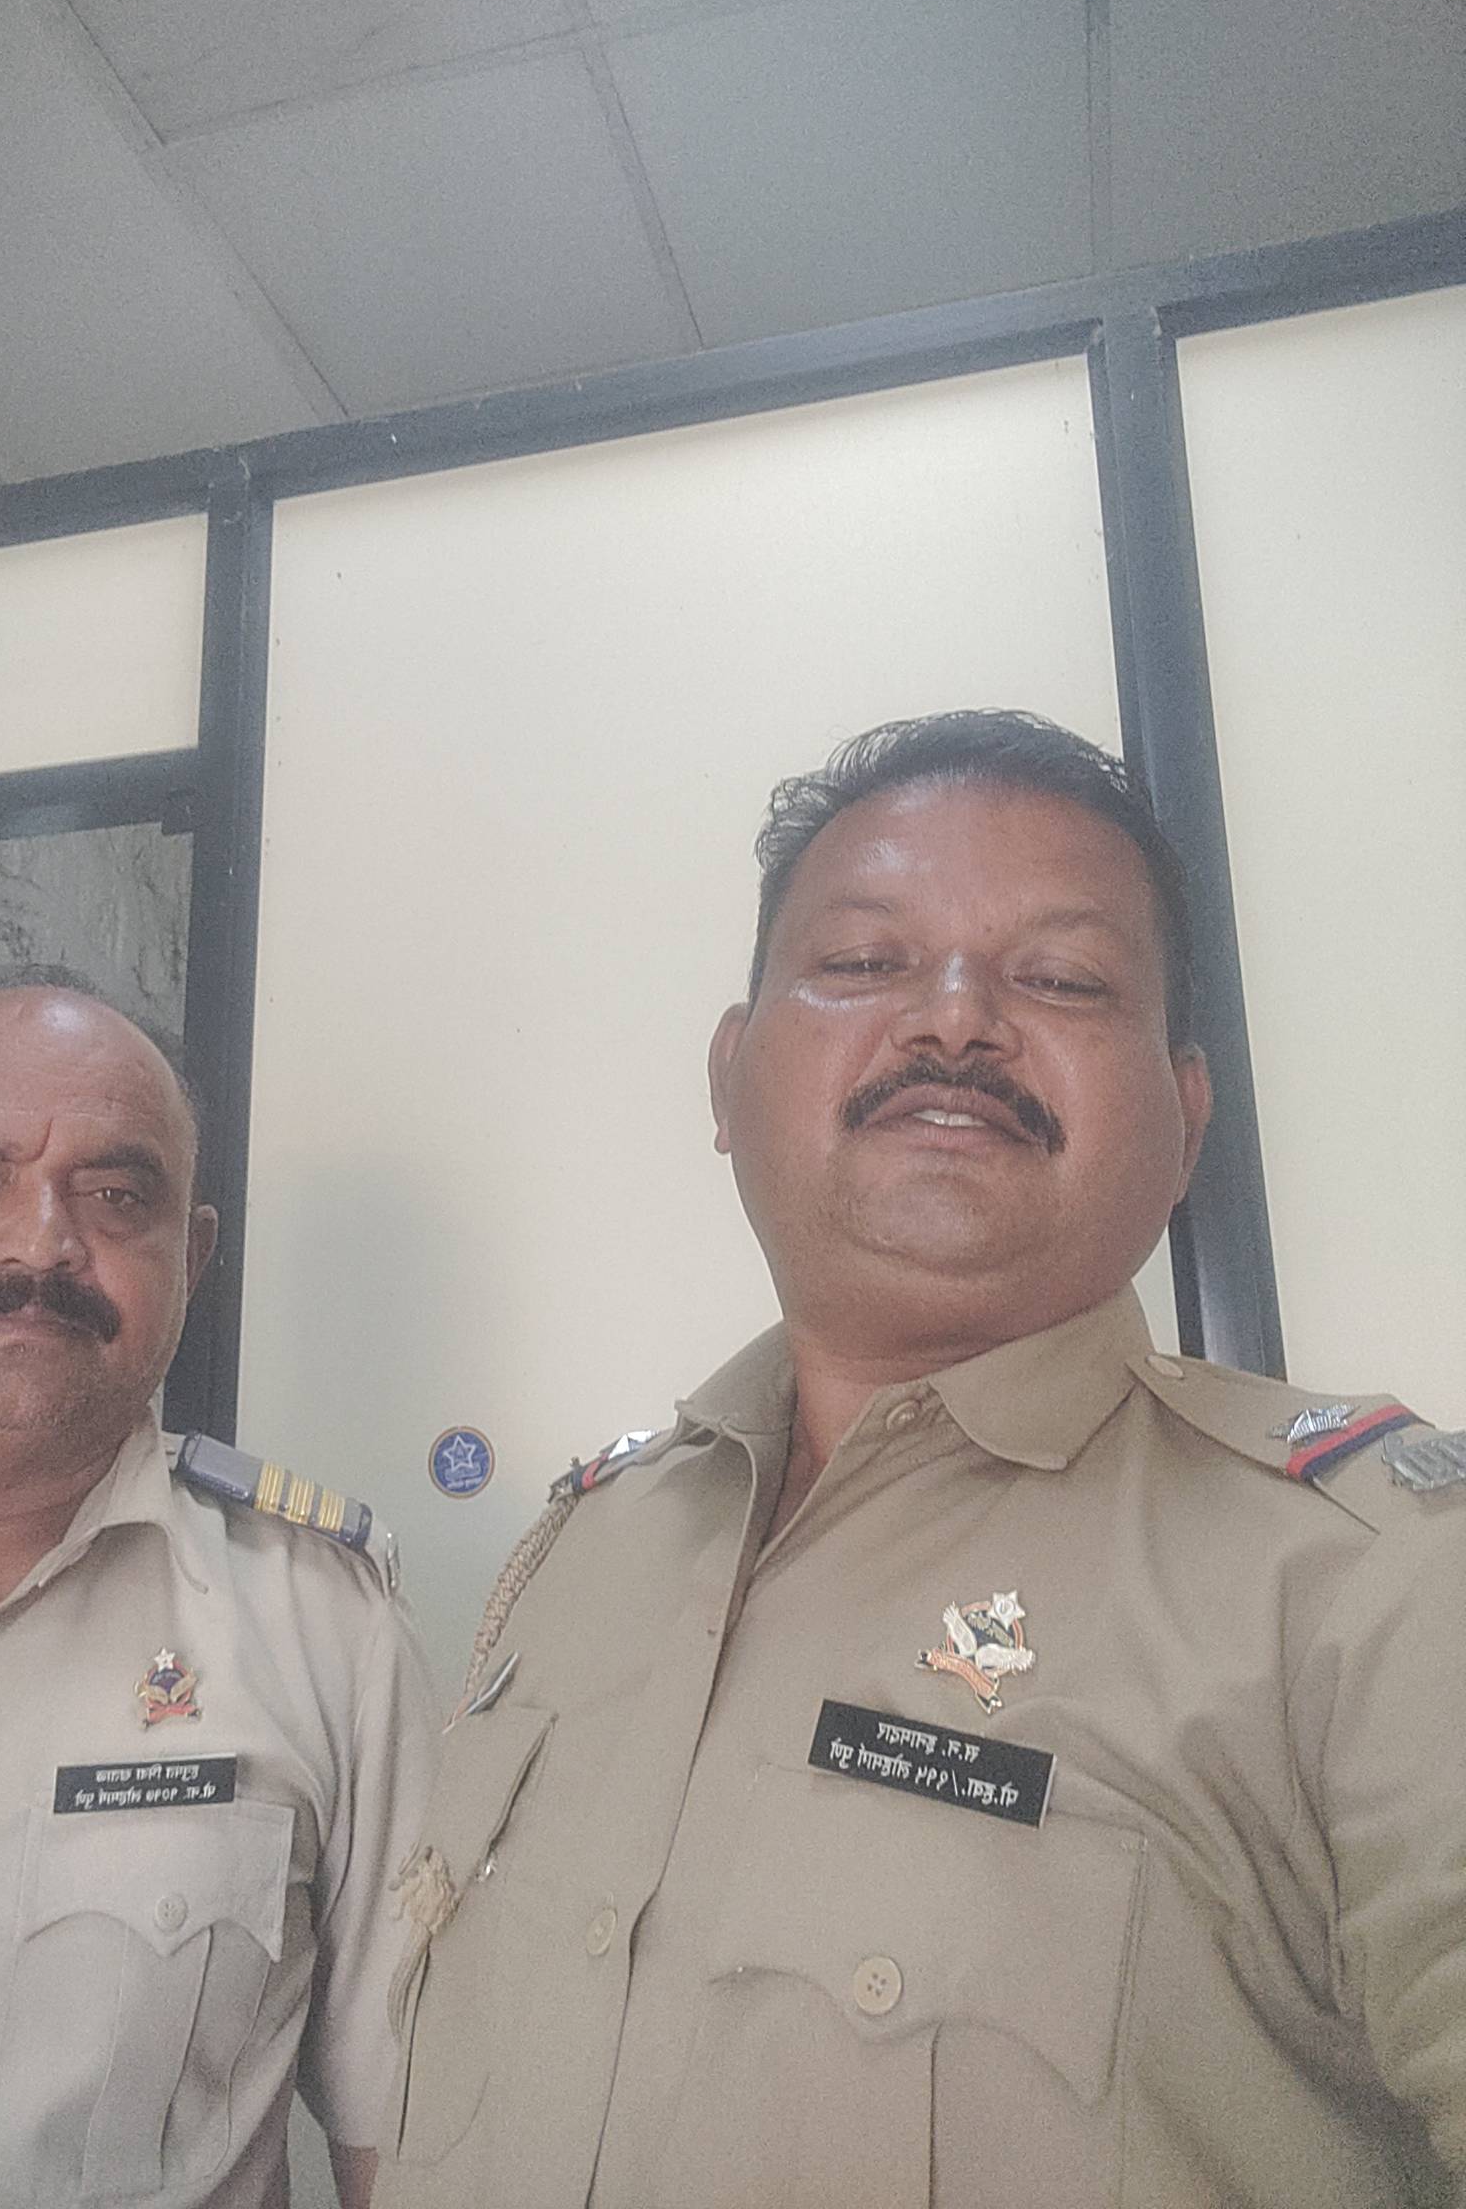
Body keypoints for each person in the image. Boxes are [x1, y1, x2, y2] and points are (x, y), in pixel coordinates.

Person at [374, 710, 1466, 2209]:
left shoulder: (1381, 1592)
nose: (954, 1023)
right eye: (864, 962)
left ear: (1186, 1121)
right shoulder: (588, 1543)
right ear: (728, 1079)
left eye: (1062, 980)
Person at [0, 969, 437, 2209]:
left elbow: (415, 2152)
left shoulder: (325, 1628)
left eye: (116, 1196)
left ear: (191, 1261)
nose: (42, 1243)